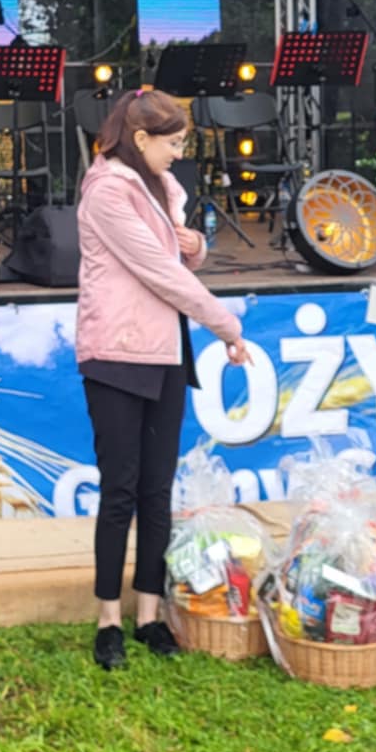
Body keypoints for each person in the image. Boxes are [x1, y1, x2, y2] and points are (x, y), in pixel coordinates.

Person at [74, 90, 250, 670]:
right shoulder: (107, 190)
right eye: (172, 143)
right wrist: (226, 325)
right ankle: (108, 619)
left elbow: (174, 256)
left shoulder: (161, 186)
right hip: (117, 353)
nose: (179, 153)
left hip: (166, 351)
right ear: (140, 139)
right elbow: (157, 271)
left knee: (157, 490)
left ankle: (148, 614)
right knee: (119, 491)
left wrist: (193, 245)